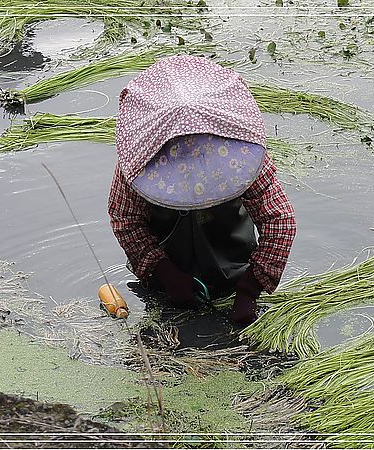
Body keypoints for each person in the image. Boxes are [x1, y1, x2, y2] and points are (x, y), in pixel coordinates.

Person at [108, 55, 296, 325]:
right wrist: (164, 273)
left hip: (235, 267)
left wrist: (249, 289)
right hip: (164, 270)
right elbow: (125, 218)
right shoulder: (139, 157)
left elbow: (280, 221)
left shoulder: (243, 154)